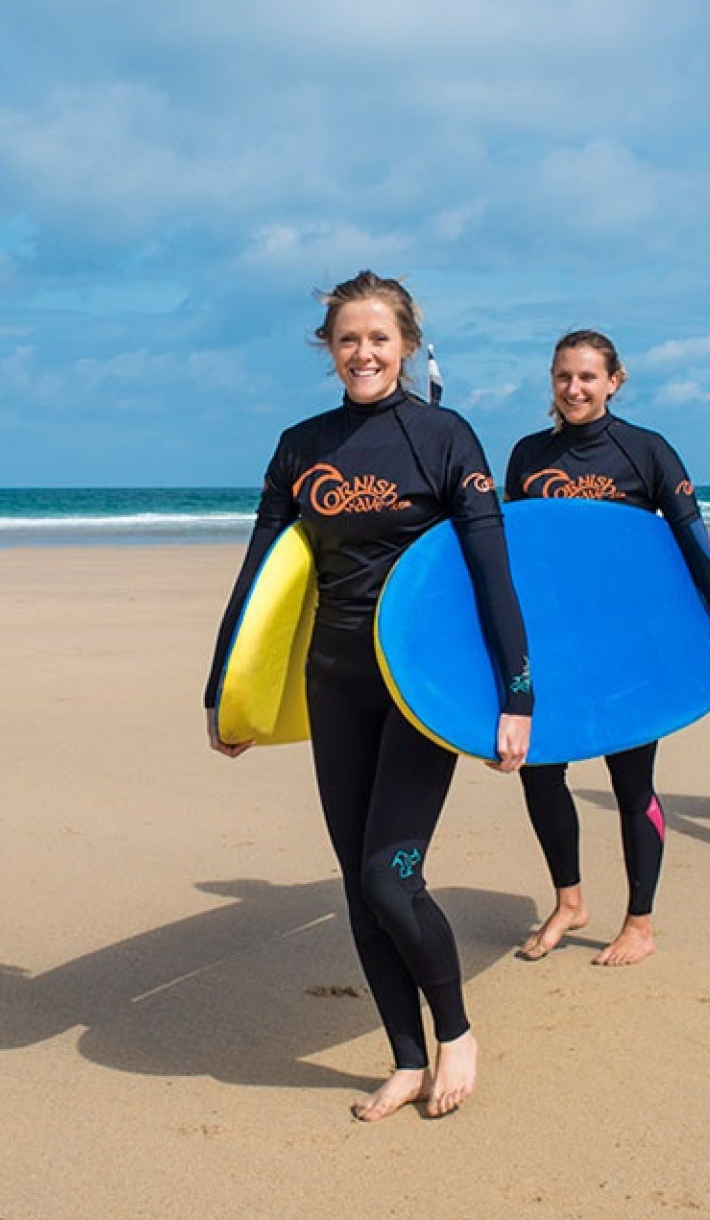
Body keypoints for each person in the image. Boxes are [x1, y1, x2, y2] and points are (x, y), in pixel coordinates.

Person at [204, 271, 533, 1121]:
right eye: (348, 339)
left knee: (392, 876)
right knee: (357, 882)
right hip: (336, 678)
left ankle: (455, 1031)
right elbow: (260, 575)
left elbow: (494, 573)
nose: (364, 353)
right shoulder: (299, 445)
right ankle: (404, 1056)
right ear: (330, 349)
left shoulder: (445, 437)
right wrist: (224, 692)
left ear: (408, 345)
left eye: (379, 338)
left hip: (421, 684)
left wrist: (516, 693)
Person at [504, 330, 710, 966]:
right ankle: (570, 900)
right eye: (563, 377)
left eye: (587, 377)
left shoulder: (646, 451)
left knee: (631, 779)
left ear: (614, 381)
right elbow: (514, 556)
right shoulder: (529, 455)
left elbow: (694, 542)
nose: (574, 389)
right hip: (557, 641)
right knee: (539, 769)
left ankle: (640, 922)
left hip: (629, 646)